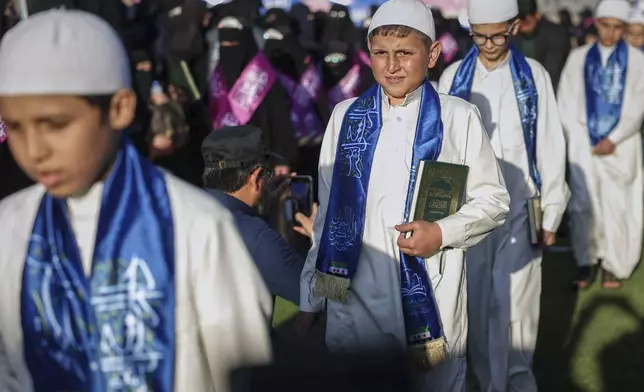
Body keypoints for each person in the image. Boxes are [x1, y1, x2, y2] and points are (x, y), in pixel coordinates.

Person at [0, 9, 272, 391]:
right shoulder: (10, 225)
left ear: (120, 108)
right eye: (15, 126)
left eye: (56, 125)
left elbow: (243, 365)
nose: (34, 149)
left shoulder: (195, 224)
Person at [297, 0, 511, 390]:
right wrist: (311, 295)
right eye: (380, 53)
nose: (391, 65)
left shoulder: (457, 117)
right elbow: (328, 212)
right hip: (354, 297)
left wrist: (442, 233)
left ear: (431, 55)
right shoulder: (346, 116)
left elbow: (494, 201)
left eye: (404, 53)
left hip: (432, 290)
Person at [438, 0, 568, 390]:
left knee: (518, 298)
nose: (489, 42)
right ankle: (483, 377)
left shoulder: (535, 76)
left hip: (523, 203)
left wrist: (553, 212)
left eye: (497, 34)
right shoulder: (451, 78)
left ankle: (517, 379)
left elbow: (550, 144)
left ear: (513, 27)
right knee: (475, 297)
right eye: (480, 35)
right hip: (471, 206)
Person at [558, 0, 644, 290]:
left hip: (621, 146)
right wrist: (582, 139)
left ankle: (613, 263)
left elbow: (638, 106)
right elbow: (565, 103)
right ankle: (586, 261)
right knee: (584, 206)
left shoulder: (637, 60)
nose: (611, 32)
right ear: (597, 24)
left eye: (618, 27)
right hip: (584, 147)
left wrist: (613, 138)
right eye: (606, 25)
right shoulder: (578, 57)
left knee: (617, 206)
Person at [201, 124, 315, 304]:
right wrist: (326, 242)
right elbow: (324, 294)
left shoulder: (183, 209)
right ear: (255, 177)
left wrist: (263, 210)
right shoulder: (257, 238)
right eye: (267, 173)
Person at [208, 14, 298, 174]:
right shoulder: (217, 76)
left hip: (260, 160)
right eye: (224, 44)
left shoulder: (263, 76)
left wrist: (282, 158)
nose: (229, 48)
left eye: (233, 43)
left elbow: (279, 120)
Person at [511, 0, 571, 91]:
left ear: (537, 15)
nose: (524, 21)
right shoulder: (509, 36)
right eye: (520, 17)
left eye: (528, 16)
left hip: (549, 90)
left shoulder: (555, 35)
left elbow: (552, 73)